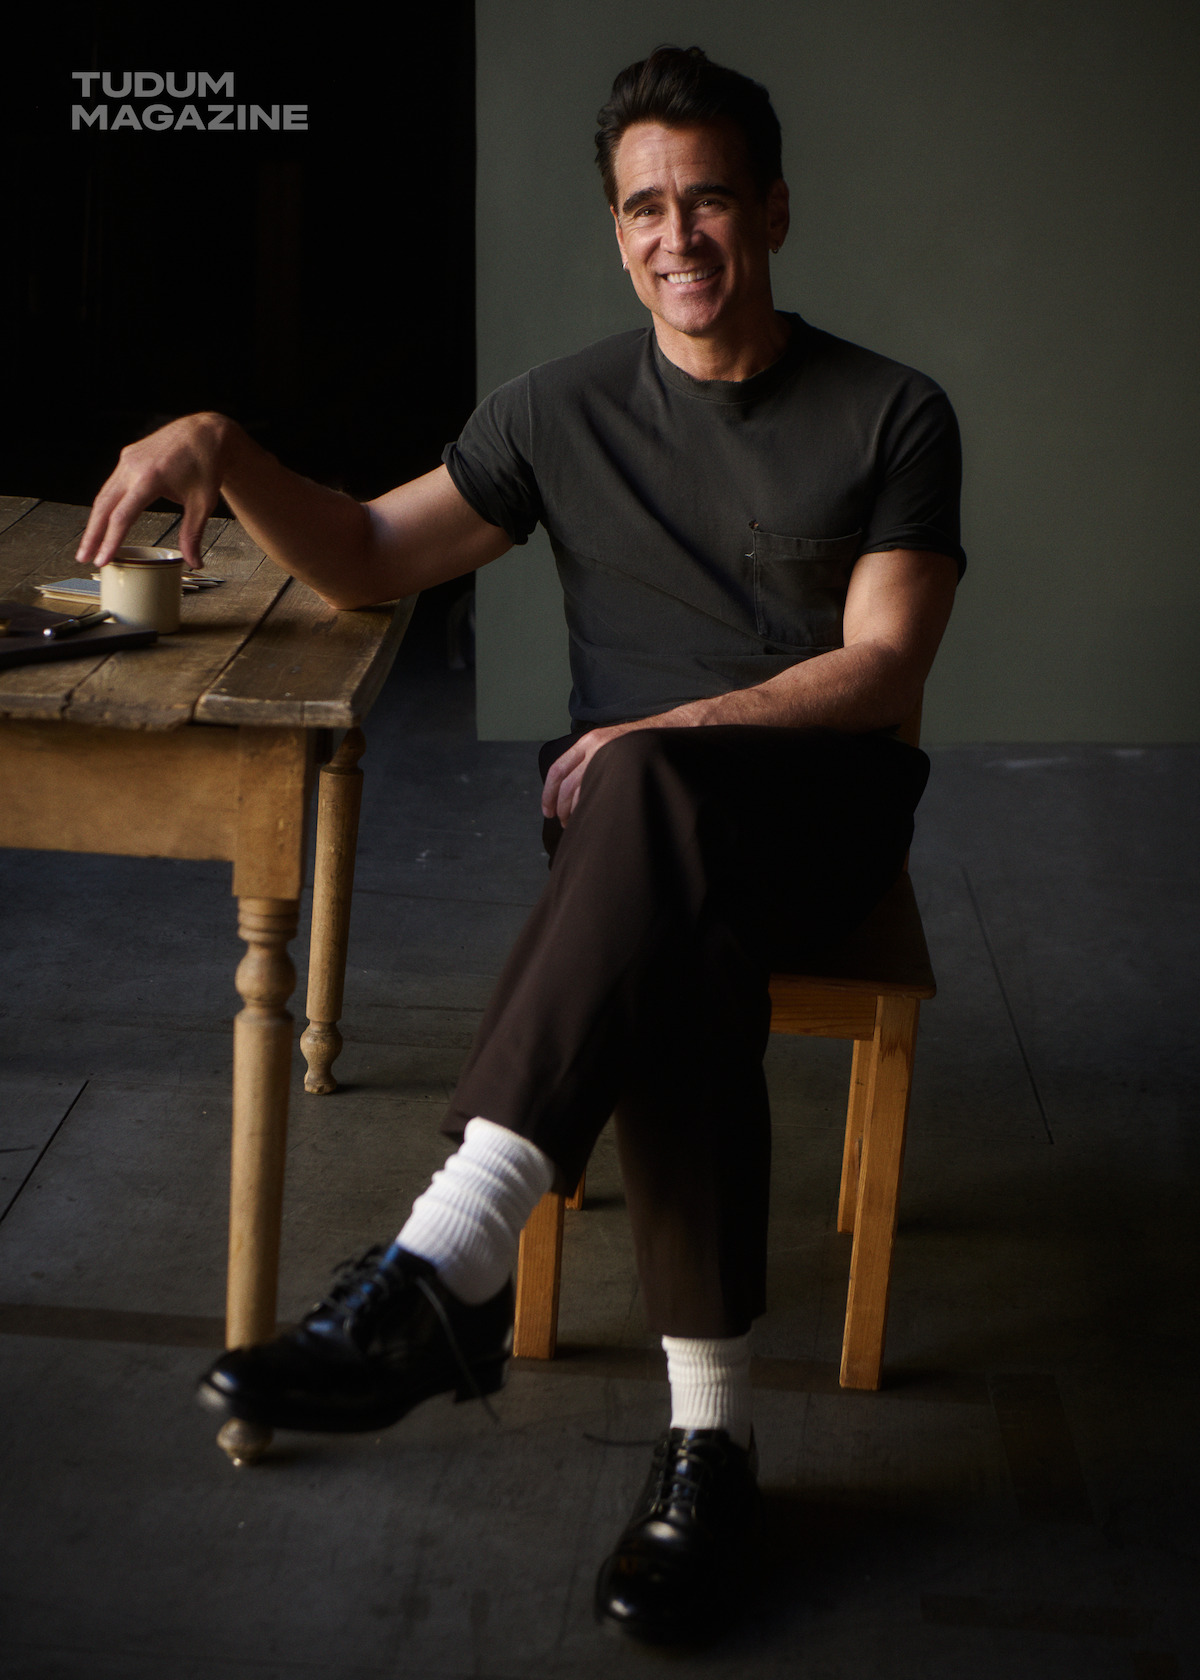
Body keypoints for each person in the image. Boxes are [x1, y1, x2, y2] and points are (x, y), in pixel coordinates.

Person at [78, 46, 964, 1648]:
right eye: (643, 205)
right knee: (665, 918)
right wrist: (222, 439)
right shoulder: (556, 410)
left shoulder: (892, 409)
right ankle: (709, 1451)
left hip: (819, 818)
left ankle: (447, 1262)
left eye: (706, 197)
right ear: (615, 229)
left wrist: (671, 732)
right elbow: (361, 557)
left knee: (644, 804)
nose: (676, 232)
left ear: (772, 207)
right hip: (644, 848)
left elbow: (885, 667)